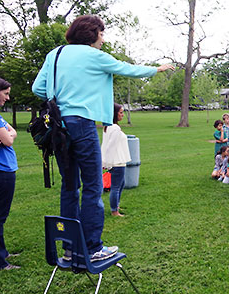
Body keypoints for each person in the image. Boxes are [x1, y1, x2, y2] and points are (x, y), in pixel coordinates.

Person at [32, 15, 174, 261]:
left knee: (69, 187)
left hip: (58, 128)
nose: (103, 39)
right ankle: (93, 246)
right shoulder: (94, 56)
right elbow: (126, 69)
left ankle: (69, 248)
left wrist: (62, 94)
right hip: (82, 125)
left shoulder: (54, 54)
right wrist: (157, 69)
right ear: (92, 33)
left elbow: (37, 89)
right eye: (102, 33)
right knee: (93, 186)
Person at [0, 77, 19, 270]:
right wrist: (7, 136)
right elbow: (8, 140)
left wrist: (8, 134)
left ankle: (1, 251)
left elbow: (12, 132)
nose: (7, 98)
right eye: (5, 93)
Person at [101, 103, 131, 217]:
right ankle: (114, 211)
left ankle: (116, 206)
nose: (122, 115)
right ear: (114, 114)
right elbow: (110, 147)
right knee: (116, 187)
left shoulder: (109, 127)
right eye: (121, 112)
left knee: (121, 184)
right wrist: (107, 163)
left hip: (117, 161)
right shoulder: (115, 128)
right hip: (116, 162)